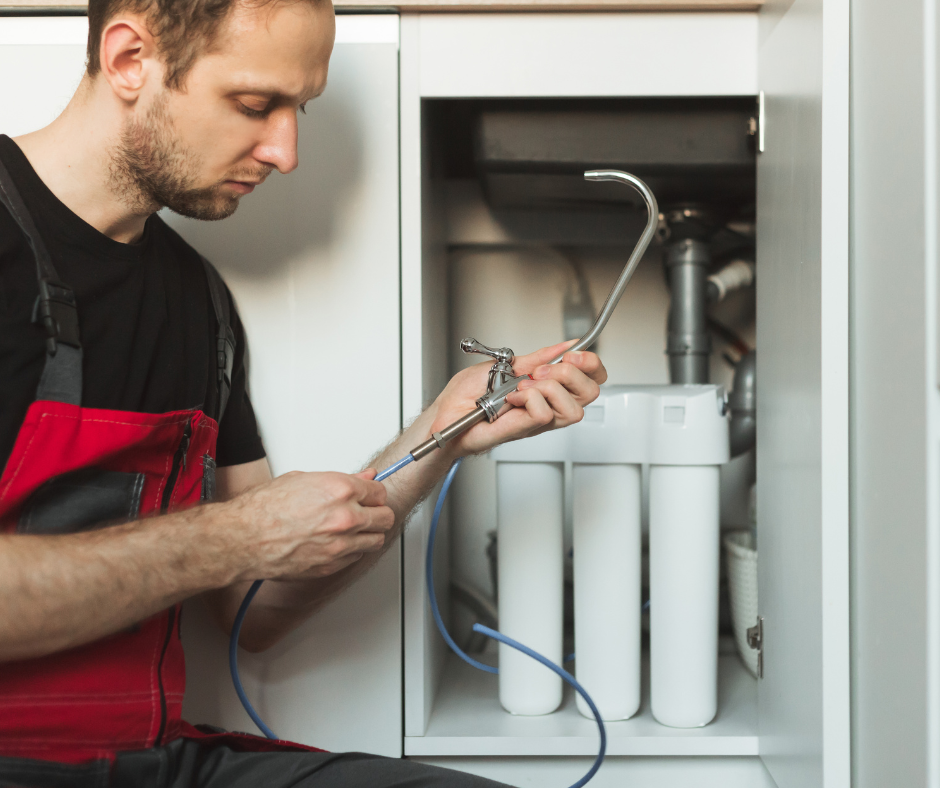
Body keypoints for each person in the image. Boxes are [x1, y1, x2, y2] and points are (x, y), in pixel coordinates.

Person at [0, 0, 607, 785]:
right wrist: (228, 537)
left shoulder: (198, 301)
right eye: (256, 105)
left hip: (154, 759)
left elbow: (257, 609)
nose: (286, 151)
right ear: (128, 60)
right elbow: (239, 545)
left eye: (300, 110)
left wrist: (440, 433)